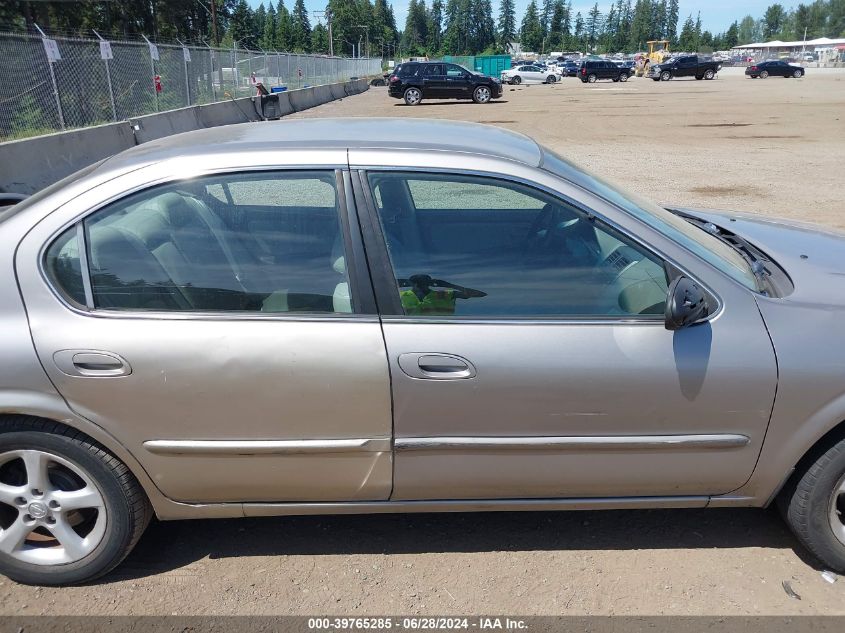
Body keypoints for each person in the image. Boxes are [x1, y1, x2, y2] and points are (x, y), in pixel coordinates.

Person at [398, 274, 486, 316]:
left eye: (422, 283)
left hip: (442, 333)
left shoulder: (445, 295)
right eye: (416, 282)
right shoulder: (400, 296)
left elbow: (480, 294)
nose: (418, 285)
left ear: (429, 284)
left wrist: (450, 285)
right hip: (411, 333)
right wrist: (395, 283)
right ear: (412, 284)